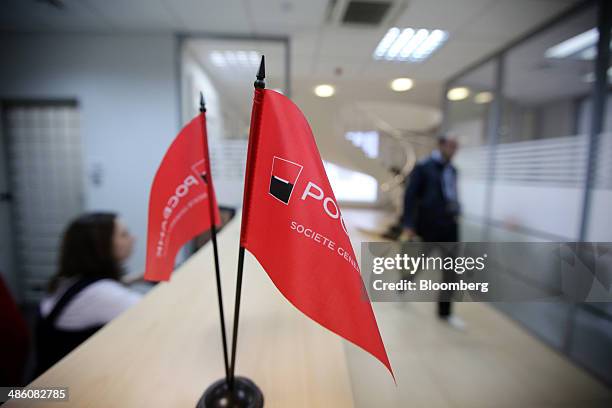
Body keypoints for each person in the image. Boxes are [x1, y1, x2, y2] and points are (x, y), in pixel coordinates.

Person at [36, 212, 142, 374]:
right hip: (62, 393)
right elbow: (153, 314)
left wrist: (134, 279)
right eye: (124, 235)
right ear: (102, 247)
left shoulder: (65, 279)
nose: (133, 238)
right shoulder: (104, 295)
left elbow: (93, 294)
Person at [402, 136, 464, 328]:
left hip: (450, 225)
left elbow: (451, 193)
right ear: (442, 145)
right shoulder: (424, 167)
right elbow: (410, 196)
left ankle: (445, 313)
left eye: (456, 147)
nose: (454, 150)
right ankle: (403, 284)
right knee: (420, 260)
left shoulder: (453, 170)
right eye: (451, 145)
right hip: (429, 225)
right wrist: (409, 224)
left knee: (451, 271)